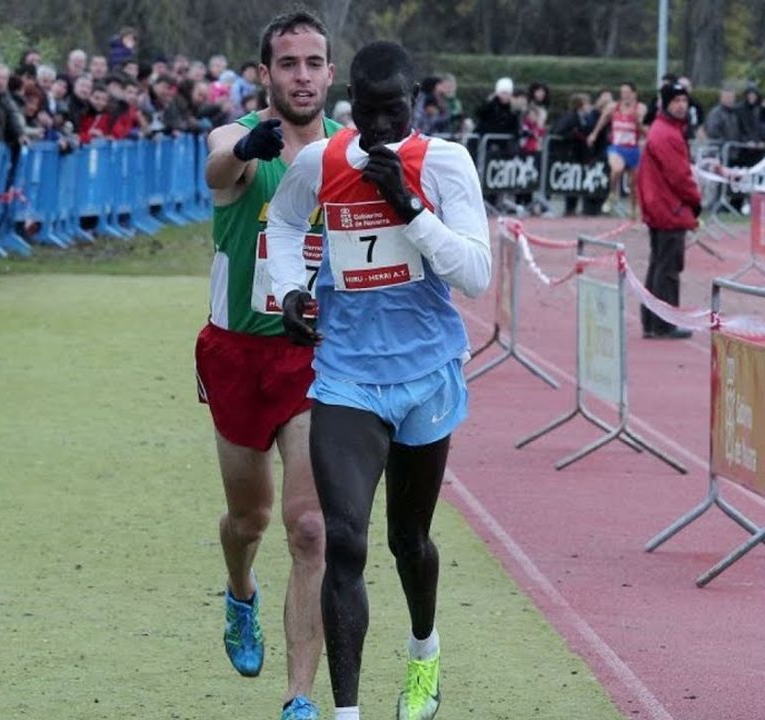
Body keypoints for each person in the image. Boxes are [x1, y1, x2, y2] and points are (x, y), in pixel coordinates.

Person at [265, 39, 491, 720]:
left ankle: (424, 652)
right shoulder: (321, 160)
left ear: (415, 102)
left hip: (426, 375)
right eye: (369, 111)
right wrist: (291, 291)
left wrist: (410, 208)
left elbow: (475, 275)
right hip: (347, 376)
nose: (382, 125)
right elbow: (283, 222)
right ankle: (347, 712)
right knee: (345, 541)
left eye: (395, 110)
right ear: (350, 104)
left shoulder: (445, 163)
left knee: (407, 542)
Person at [198, 10, 340, 720]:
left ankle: (299, 696)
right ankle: (239, 592)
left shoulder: (346, 153)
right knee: (247, 519)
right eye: (289, 64)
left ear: (330, 74)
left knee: (309, 526)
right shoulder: (242, 140)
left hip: (310, 358)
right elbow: (218, 163)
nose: (302, 76)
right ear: (266, 74)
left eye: (314, 63)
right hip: (237, 356)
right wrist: (249, 147)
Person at [638, 81, 701, 341]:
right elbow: (680, 176)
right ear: (665, 104)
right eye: (676, 101)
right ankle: (664, 324)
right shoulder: (668, 134)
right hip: (669, 208)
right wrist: (695, 201)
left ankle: (652, 322)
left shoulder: (663, 130)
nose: (681, 105)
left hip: (660, 206)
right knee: (667, 269)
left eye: (684, 100)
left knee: (658, 265)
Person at [589, 82, 645, 217]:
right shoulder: (613, 107)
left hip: (632, 148)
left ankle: (634, 212)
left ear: (634, 94)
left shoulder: (640, 107)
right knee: (617, 169)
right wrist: (594, 133)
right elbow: (603, 119)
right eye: (622, 92)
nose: (625, 95)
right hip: (616, 147)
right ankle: (612, 193)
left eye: (627, 92)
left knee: (633, 184)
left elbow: (642, 127)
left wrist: (636, 120)